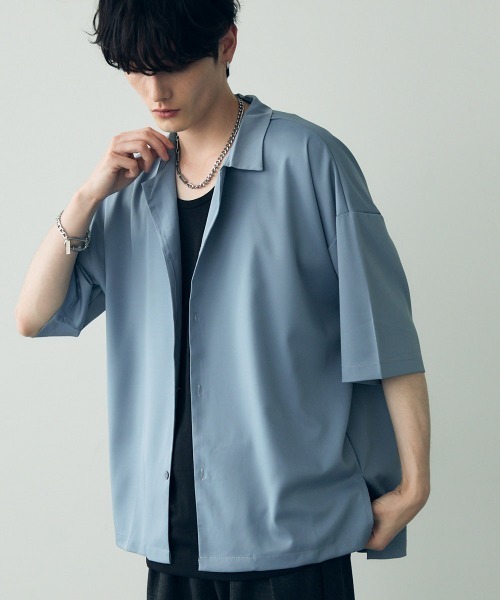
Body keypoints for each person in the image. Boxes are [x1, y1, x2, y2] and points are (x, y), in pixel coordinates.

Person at [15, 1, 431, 599]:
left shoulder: (308, 159)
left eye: (173, 65)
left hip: (291, 539)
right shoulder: (132, 190)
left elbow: (384, 329)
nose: (155, 91)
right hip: (171, 543)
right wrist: (86, 197)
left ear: (226, 45)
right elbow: (34, 316)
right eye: (136, 70)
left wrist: (414, 485)